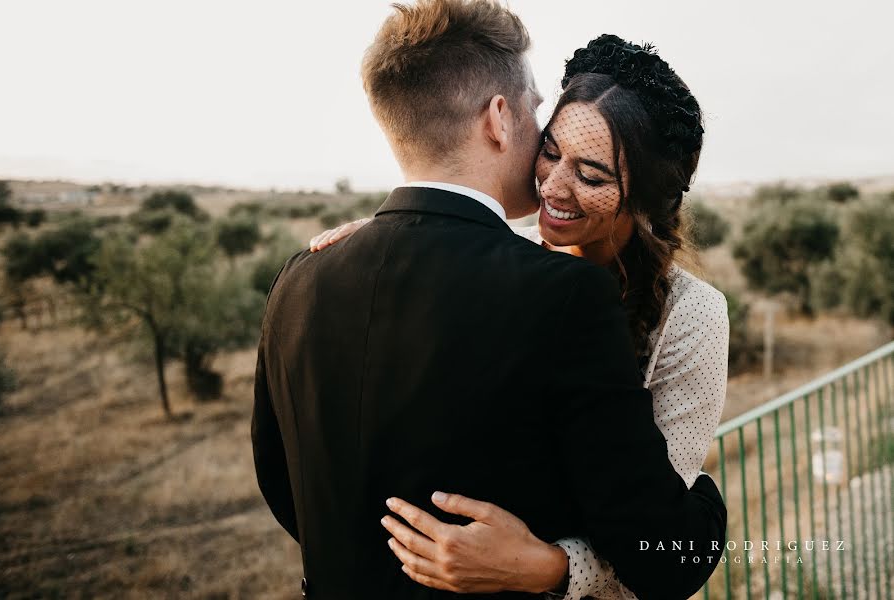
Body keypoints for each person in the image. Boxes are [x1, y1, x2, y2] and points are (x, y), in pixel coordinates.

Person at [252, 2, 726, 599]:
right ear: (502, 120)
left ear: (643, 197)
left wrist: (549, 566)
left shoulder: (297, 277)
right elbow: (668, 544)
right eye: (548, 143)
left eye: (594, 175)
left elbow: (281, 484)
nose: (552, 183)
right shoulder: (561, 290)